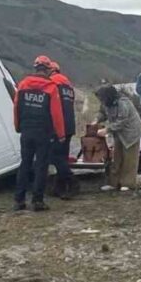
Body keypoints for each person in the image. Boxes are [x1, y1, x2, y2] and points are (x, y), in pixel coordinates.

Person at [12, 56, 66, 211]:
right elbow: (56, 114)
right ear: (48, 70)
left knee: (25, 164)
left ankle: (19, 200)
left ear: (35, 68)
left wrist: (18, 126)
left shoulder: (23, 85)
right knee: (41, 166)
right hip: (44, 133)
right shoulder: (51, 87)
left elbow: (16, 108)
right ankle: (37, 201)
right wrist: (61, 134)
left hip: (27, 131)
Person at [95, 85, 141, 192]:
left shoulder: (123, 103)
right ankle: (114, 183)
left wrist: (107, 130)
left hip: (131, 132)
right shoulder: (106, 103)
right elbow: (102, 112)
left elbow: (122, 121)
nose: (101, 101)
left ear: (108, 96)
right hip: (119, 133)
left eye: (102, 99)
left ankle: (128, 183)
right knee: (116, 158)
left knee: (129, 159)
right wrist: (96, 120)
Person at [48, 61, 78, 199]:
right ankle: (59, 188)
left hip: (58, 126)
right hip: (70, 125)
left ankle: (72, 182)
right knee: (62, 158)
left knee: (55, 157)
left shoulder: (52, 83)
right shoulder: (68, 84)